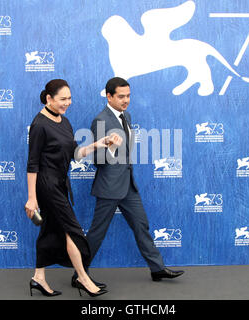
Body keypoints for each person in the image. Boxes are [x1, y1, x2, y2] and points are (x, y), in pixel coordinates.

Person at [72, 77, 184, 286]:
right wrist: (111, 147)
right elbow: (96, 160)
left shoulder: (127, 116)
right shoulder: (101, 120)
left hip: (128, 185)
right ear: (109, 96)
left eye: (128, 96)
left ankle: (157, 269)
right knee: (97, 233)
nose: (126, 100)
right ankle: (80, 275)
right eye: (121, 96)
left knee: (141, 225)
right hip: (109, 186)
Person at [25, 79, 120, 297]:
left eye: (69, 98)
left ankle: (38, 278)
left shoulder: (65, 122)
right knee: (72, 231)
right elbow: (32, 164)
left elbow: (75, 154)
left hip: (60, 184)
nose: (67, 102)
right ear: (49, 98)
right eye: (62, 99)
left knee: (50, 230)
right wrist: (32, 198)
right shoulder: (39, 124)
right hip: (46, 186)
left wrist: (99, 144)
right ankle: (83, 279)